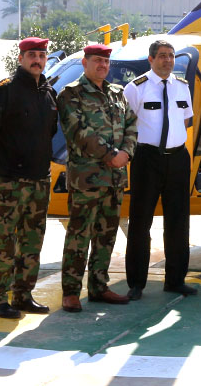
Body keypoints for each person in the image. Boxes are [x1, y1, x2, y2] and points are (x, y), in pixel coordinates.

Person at [0, 37, 58, 318]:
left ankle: (23, 295)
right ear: (21, 58)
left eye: (41, 55)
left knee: (32, 240)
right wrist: (3, 163)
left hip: (40, 178)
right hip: (9, 180)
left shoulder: (48, 92)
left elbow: (50, 133)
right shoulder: (3, 91)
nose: (37, 60)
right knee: (4, 240)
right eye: (32, 55)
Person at [56, 44, 137, 312]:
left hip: (114, 178)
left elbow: (131, 125)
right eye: (97, 60)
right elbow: (78, 131)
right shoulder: (71, 94)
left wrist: (126, 153)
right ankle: (71, 291)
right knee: (79, 235)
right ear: (85, 62)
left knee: (106, 235)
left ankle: (99, 286)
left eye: (105, 61)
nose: (102, 65)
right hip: (86, 179)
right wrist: (111, 155)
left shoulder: (117, 93)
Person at [123, 40, 196, 299]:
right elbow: (126, 123)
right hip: (147, 158)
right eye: (162, 56)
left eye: (171, 56)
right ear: (151, 59)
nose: (168, 60)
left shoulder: (182, 87)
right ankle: (136, 283)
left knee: (178, 221)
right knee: (141, 221)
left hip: (177, 158)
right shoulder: (136, 88)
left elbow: (184, 120)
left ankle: (175, 280)